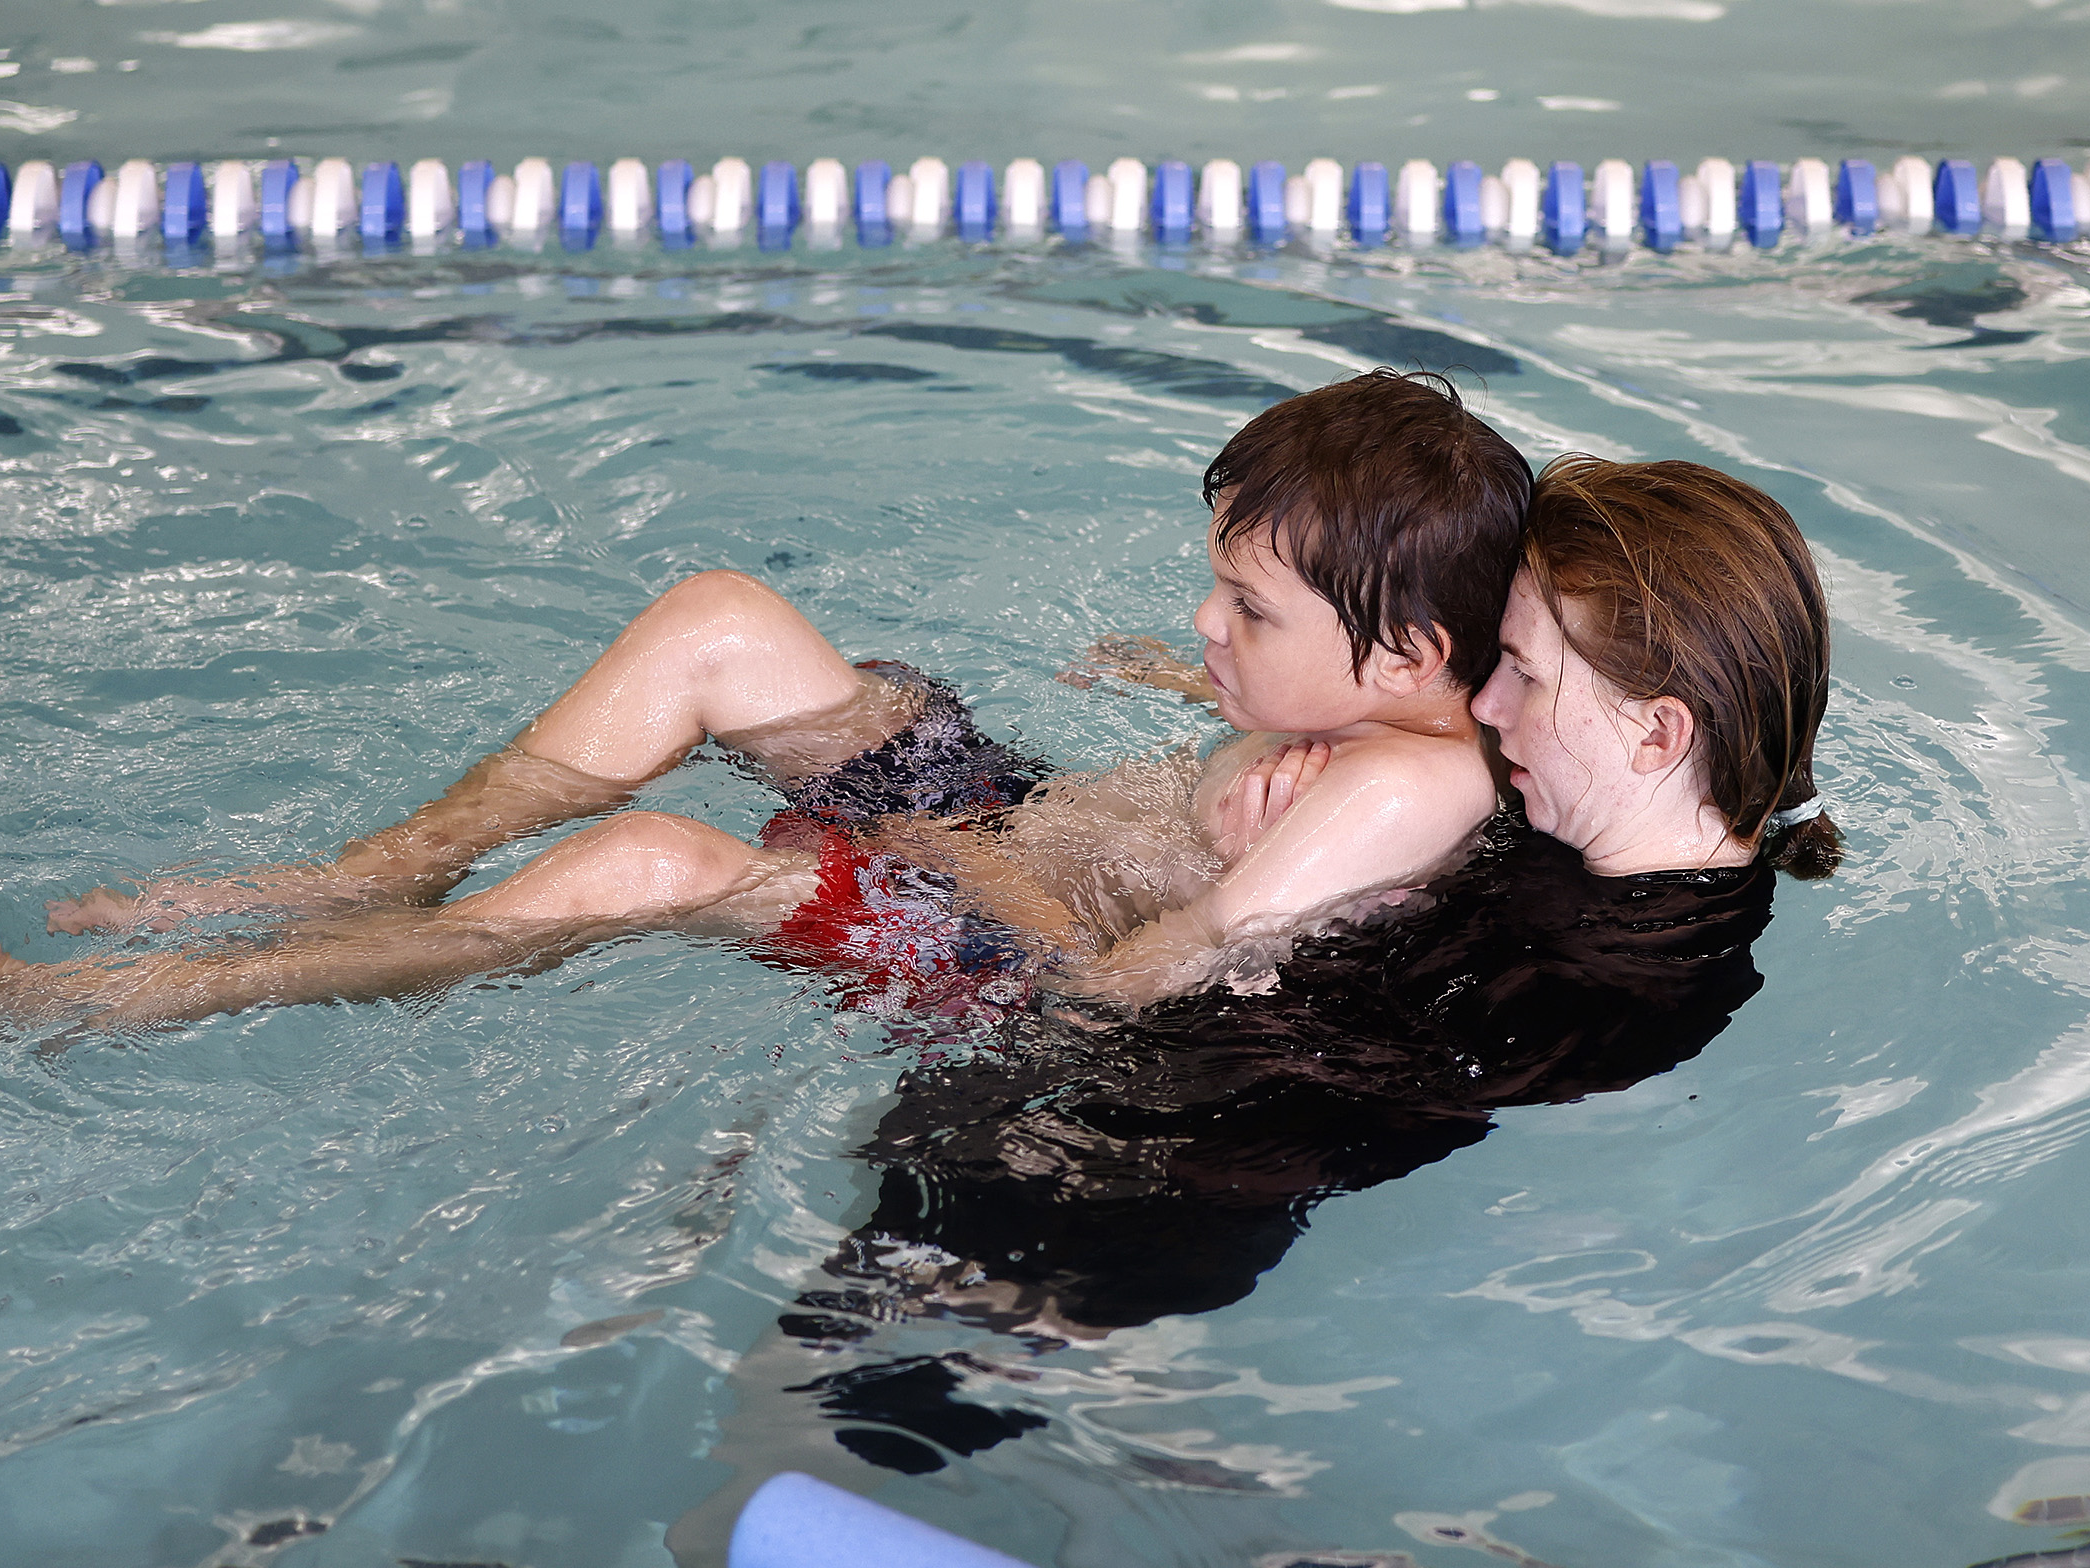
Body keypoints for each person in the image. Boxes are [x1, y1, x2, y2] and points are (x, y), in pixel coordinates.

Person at [0, 370, 1533, 1031]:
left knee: (649, 861)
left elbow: (1122, 996)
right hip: (1007, 824)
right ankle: (372, 867)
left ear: (1403, 660)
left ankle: (70, 1003)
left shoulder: (1398, 790)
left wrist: (978, 874)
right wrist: (1207, 682)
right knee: (720, 619)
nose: (1204, 616)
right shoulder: (1398, 699)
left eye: (1243, 605)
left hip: (993, 935)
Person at [773, 454, 1845, 1463]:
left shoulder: (1620, 981)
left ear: (1659, 735)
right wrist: (1288, 764)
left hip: (1112, 1197)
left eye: (1518, 671)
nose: (1482, 705)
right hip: (1094, 1087)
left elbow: (1257, 1068)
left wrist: (1239, 901)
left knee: (811, 1422)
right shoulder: (1571, 804)